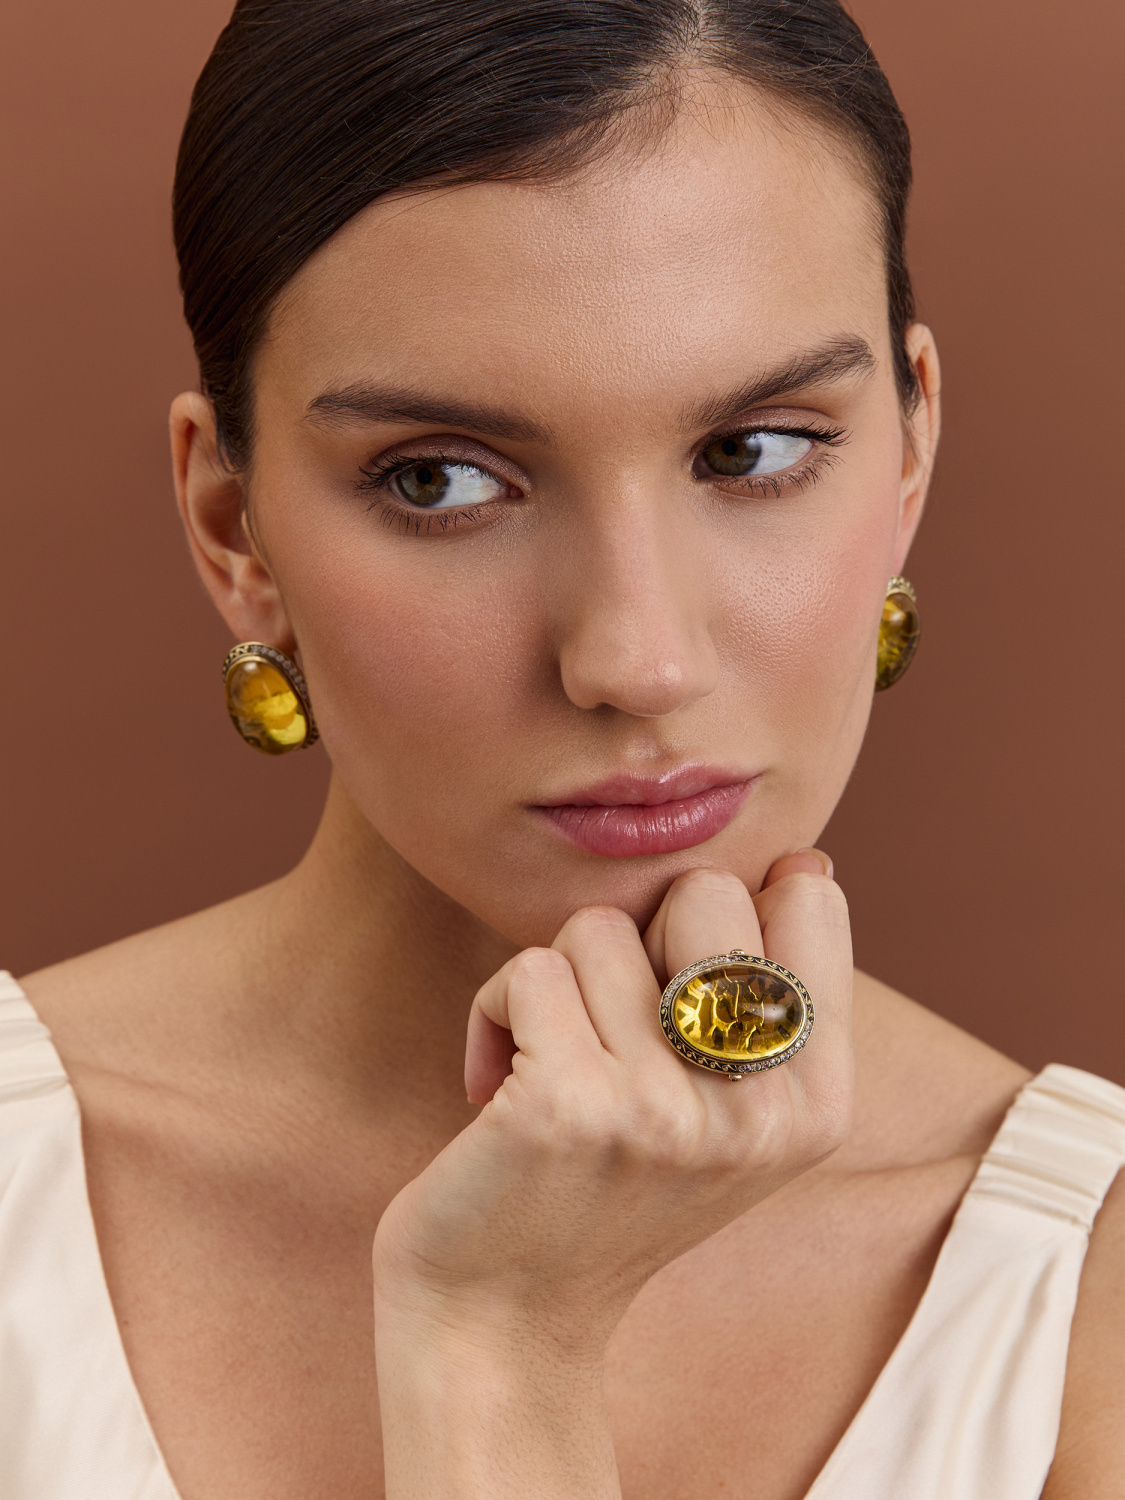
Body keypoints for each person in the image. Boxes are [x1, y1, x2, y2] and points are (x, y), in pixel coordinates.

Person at [4, 1, 1123, 1496]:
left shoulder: (1088, 1300)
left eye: (753, 450)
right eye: (440, 480)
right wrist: (499, 1331)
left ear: (909, 450)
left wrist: (501, 1347)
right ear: (233, 528)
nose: (636, 660)